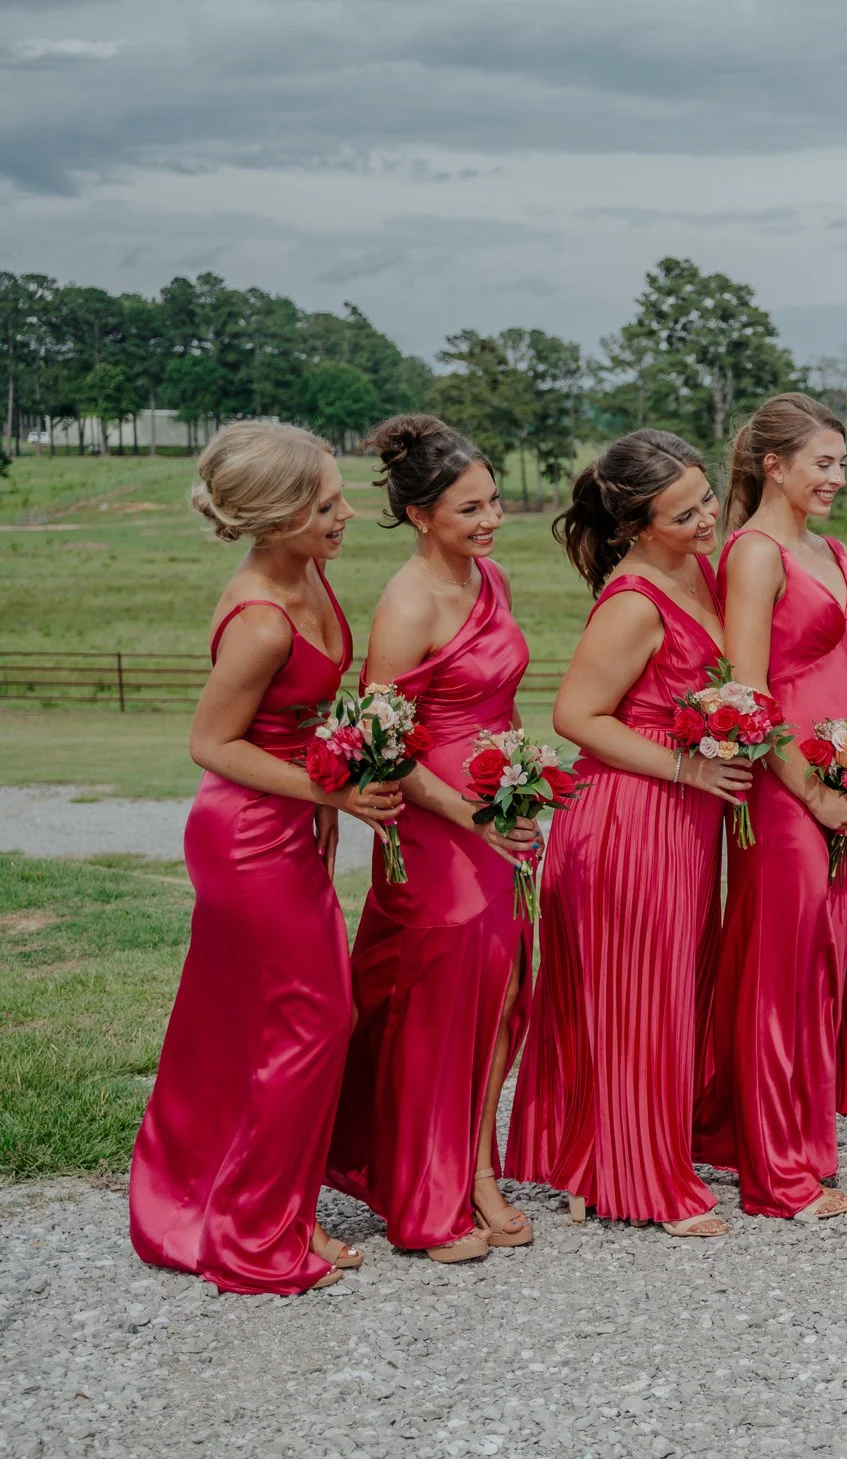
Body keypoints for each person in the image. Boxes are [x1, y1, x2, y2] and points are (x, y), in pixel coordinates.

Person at [130, 422, 400, 1294]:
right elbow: (210, 743)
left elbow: (302, 714)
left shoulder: (308, 571)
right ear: (281, 516)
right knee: (314, 1021)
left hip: (288, 819)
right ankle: (253, 1234)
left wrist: (332, 769)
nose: (345, 514)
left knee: (268, 1022)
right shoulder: (258, 617)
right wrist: (329, 792)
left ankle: (270, 1201)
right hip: (246, 836)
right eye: (326, 504)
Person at [508, 430, 748, 1237]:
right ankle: (637, 1179)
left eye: (707, 498)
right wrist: (684, 770)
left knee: (663, 995)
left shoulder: (696, 569)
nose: (707, 518)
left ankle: (599, 1156)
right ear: (638, 525)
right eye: (684, 513)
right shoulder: (635, 600)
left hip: (681, 824)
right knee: (636, 1001)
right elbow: (574, 716)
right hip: (627, 821)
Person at [328, 415, 538, 1264]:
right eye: (469, 509)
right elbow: (383, 739)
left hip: (499, 804)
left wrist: (521, 784)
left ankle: (478, 1167)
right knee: (436, 1003)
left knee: (502, 994)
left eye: (492, 503)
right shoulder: (406, 602)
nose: (489, 521)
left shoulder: (495, 579)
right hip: (437, 819)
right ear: (419, 516)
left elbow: (506, 700)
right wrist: (467, 813)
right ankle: (424, 1192)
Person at [696, 394, 847, 1221]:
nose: (837, 477)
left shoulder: (831, 547)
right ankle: (774, 1175)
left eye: (841, 463)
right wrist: (808, 789)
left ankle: (802, 1146)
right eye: (824, 462)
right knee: (781, 967)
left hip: (841, 784)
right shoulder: (756, 553)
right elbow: (747, 690)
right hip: (782, 791)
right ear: (774, 466)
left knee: (824, 964)